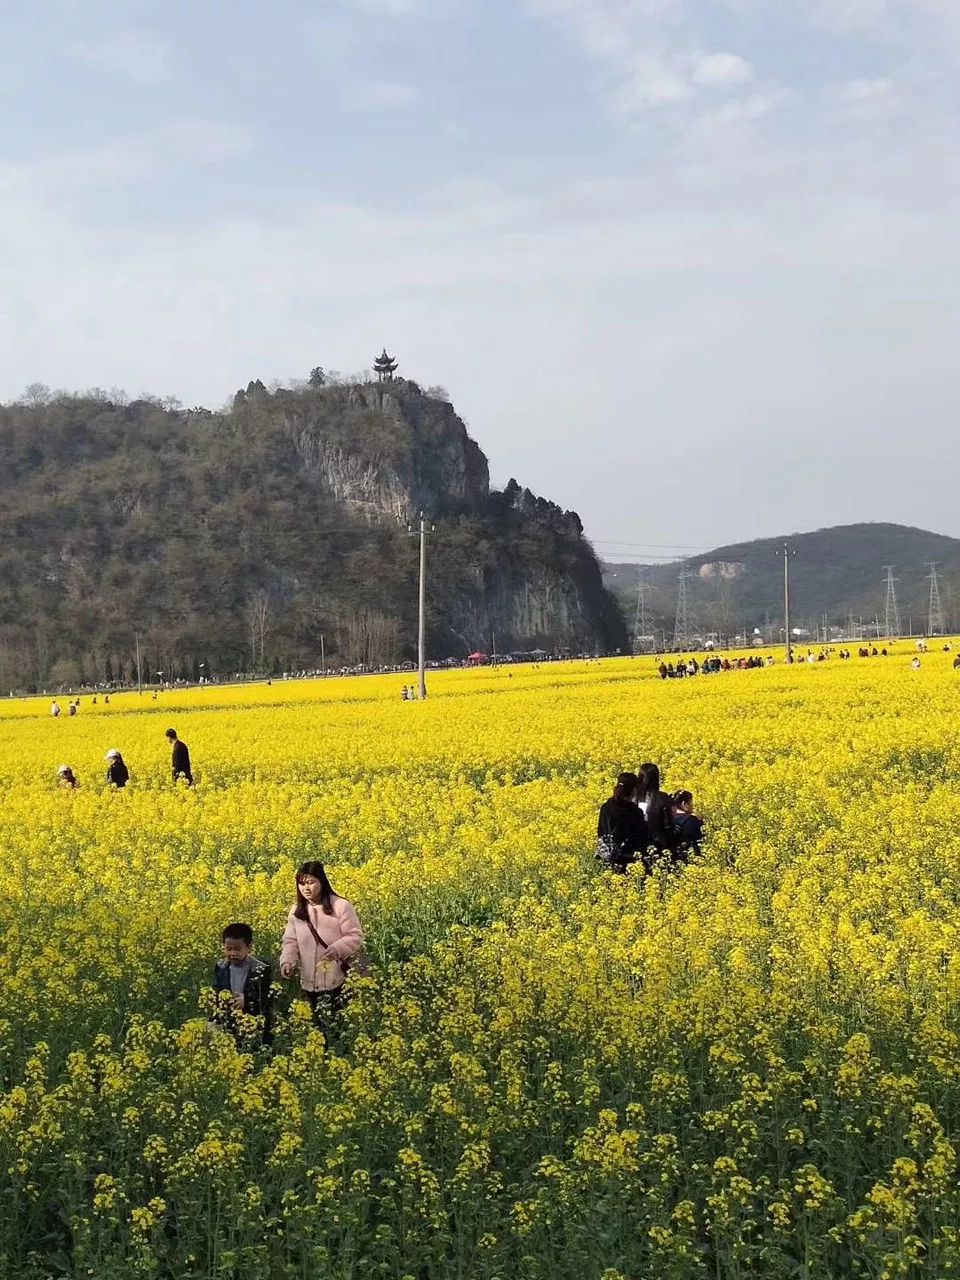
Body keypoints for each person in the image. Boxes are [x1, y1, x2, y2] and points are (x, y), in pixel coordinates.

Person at [280, 862, 363, 1033]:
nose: (306, 888)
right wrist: (287, 961)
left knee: (338, 1029)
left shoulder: (340, 906)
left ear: (322, 882)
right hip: (309, 982)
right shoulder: (297, 911)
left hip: (337, 980)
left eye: (311, 882)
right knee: (316, 1031)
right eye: (301, 883)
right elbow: (290, 941)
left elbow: (355, 936)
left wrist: (338, 948)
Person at [213, 923, 272, 1045]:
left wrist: (247, 998)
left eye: (237, 949)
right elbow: (218, 990)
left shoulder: (261, 969)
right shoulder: (221, 967)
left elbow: (267, 996)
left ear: (249, 948)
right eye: (228, 949)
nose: (233, 953)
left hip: (254, 1022)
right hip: (229, 1020)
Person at [596, 772, 649, 874]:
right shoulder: (635, 812)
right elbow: (640, 838)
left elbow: (600, 830)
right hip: (627, 859)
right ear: (634, 790)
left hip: (607, 856)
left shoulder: (606, 807)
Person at [638, 762, 678, 859]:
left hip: (636, 846)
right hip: (659, 846)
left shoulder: (631, 797)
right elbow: (668, 827)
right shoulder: (662, 798)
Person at [671, 790, 705, 860]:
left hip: (675, 857)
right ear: (684, 804)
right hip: (690, 857)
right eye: (691, 802)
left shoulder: (669, 819)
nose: (693, 805)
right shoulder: (691, 820)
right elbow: (700, 839)